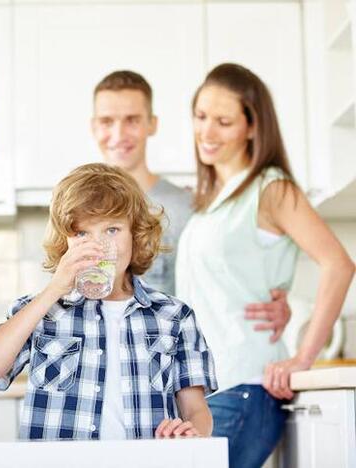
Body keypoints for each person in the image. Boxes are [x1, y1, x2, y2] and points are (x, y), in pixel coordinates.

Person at [175, 63, 355, 467]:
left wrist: (302, 357)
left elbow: (338, 264)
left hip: (244, 388)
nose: (207, 132)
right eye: (201, 117)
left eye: (223, 121)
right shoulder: (214, 201)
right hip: (209, 391)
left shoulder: (271, 188)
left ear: (252, 127)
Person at [0, 163, 218, 440]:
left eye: (112, 230)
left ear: (135, 234)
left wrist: (191, 431)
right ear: (65, 242)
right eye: (81, 233)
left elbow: (196, 410)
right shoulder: (42, 310)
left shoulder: (174, 316)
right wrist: (55, 289)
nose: (98, 245)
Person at [91, 70, 292, 343]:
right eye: (106, 121)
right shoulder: (76, 210)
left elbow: (228, 283)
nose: (118, 133)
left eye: (132, 120)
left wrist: (277, 303)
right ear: (93, 126)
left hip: (169, 370)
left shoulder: (192, 207)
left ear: (152, 124)